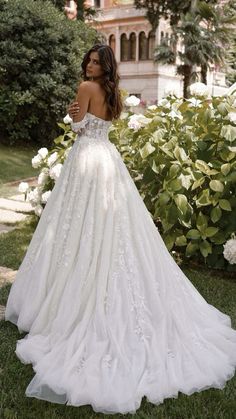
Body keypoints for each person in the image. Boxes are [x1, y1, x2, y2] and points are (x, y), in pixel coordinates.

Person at [5, 44, 236, 415]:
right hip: (108, 163)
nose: (90, 65)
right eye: (90, 61)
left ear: (103, 66)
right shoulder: (114, 95)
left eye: (96, 61)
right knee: (110, 227)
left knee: (76, 227)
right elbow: (103, 127)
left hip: (86, 161)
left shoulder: (85, 88)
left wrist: (70, 115)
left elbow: (79, 129)